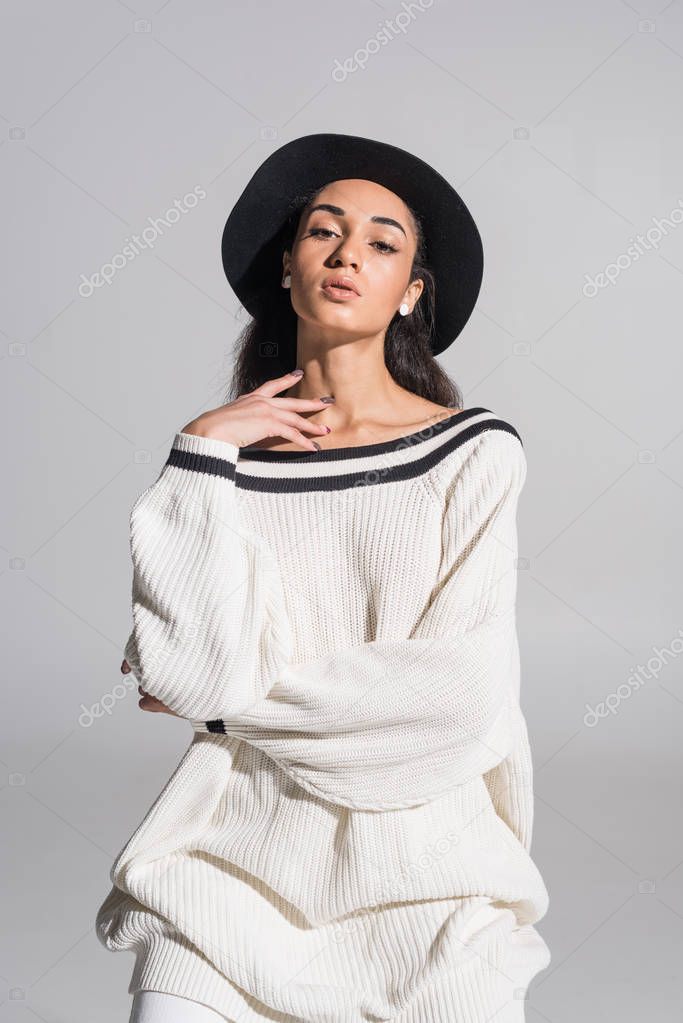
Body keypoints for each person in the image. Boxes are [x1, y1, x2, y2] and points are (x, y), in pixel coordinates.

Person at [95, 133, 551, 1022]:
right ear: (287, 267)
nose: (347, 254)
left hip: (428, 876)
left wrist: (224, 705)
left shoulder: (471, 452)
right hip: (230, 859)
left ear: (412, 291)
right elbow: (180, 667)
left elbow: (455, 693)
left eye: (383, 243)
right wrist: (200, 452)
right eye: (323, 232)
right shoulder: (219, 463)